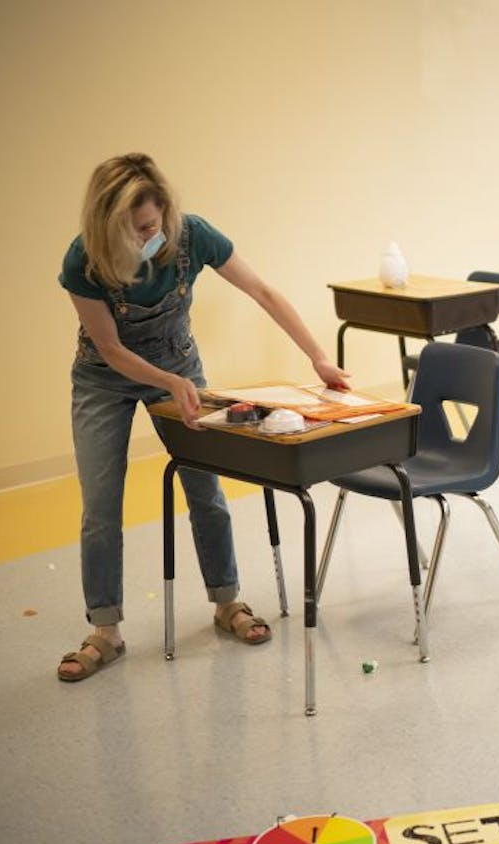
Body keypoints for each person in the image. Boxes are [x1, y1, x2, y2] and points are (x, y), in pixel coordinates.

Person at [56, 153, 349, 681]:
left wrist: (317, 355)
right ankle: (106, 632)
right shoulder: (84, 260)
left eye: (153, 223)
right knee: (101, 506)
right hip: (104, 379)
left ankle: (226, 602)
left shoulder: (193, 236)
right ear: (107, 228)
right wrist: (169, 384)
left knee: (205, 490)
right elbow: (111, 347)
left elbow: (262, 290)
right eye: (135, 230)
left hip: (177, 362)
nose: (150, 235)